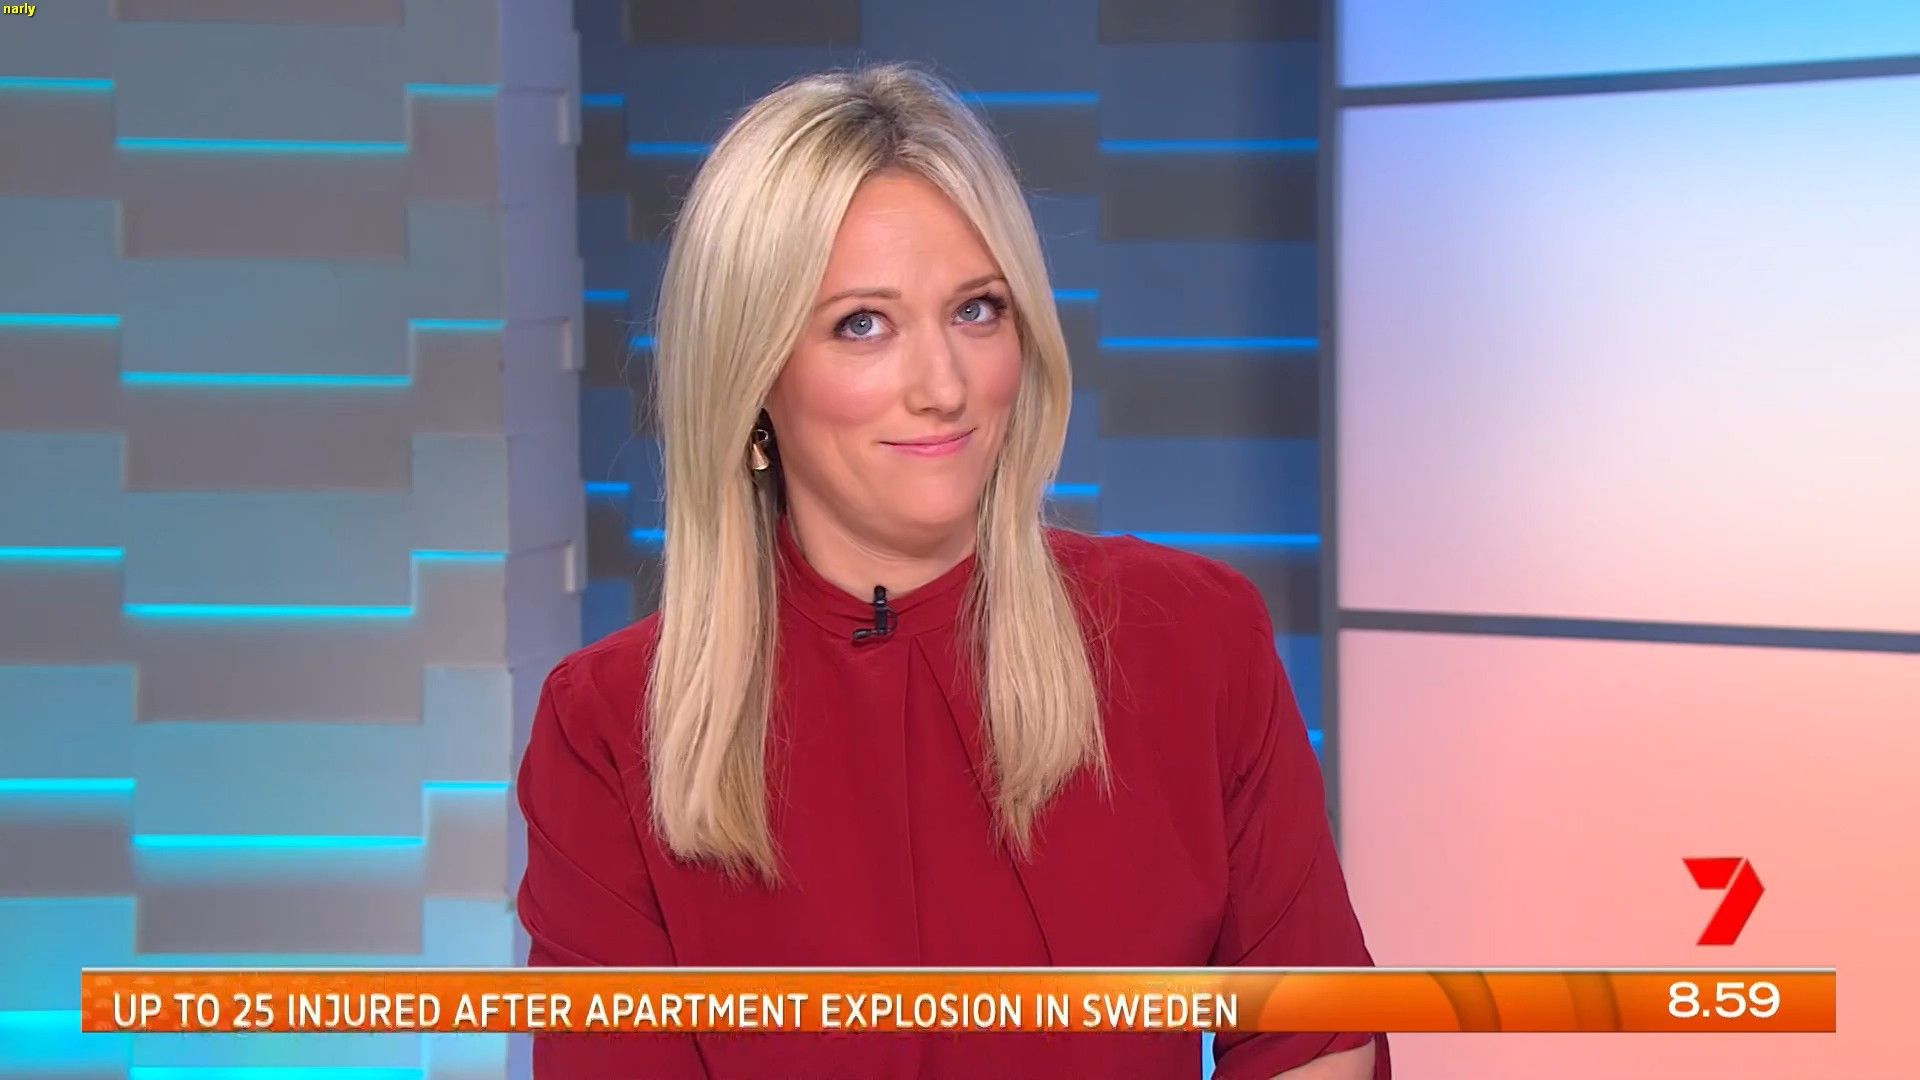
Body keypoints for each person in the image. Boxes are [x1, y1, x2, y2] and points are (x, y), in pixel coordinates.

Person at [516, 61, 1389, 1079]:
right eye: (863, 324)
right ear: (752, 377)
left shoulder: (1192, 637)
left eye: (977, 310)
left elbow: (1314, 1038)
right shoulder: (611, 726)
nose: (944, 386)